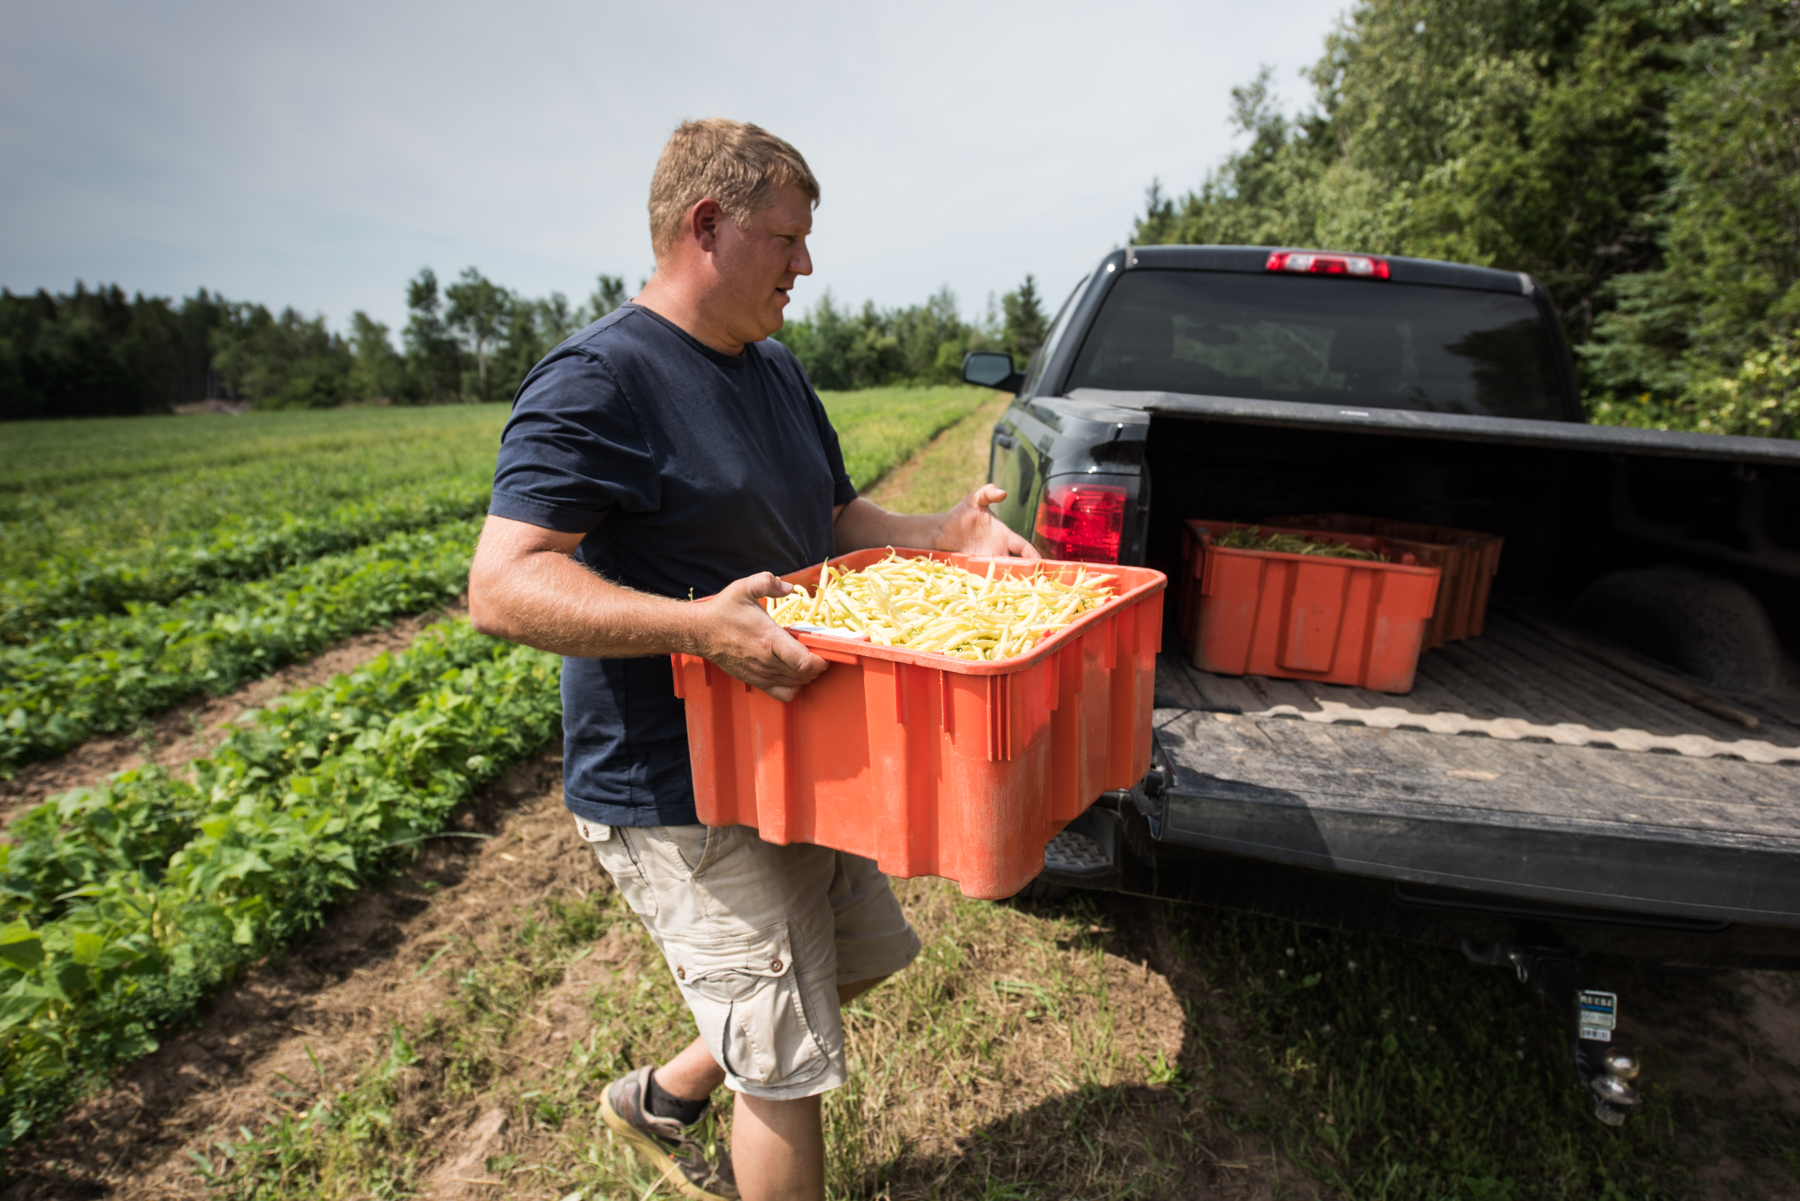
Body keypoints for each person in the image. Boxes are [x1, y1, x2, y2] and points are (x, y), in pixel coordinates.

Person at [467, 118, 1034, 1201]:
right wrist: (695, 627)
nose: (806, 264)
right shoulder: (601, 379)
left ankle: (660, 1096)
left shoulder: (770, 368)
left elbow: (833, 511)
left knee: (851, 958)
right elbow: (502, 584)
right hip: (676, 782)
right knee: (786, 1063)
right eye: (788, 237)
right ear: (707, 226)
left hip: (791, 750)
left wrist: (944, 533)